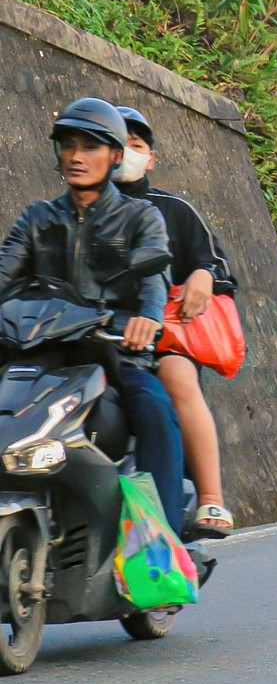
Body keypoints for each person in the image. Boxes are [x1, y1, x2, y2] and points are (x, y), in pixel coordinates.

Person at [0, 99, 186, 528]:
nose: (76, 157)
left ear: (115, 156)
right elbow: (6, 268)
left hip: (113, 348)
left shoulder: (141, 216)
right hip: (41, 349)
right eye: (68, 146)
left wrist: (148, 317)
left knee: (155, 410)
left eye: (89, 147)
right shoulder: (37, 218)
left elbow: (154, 273)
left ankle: (161, 541)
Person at [113, 105, 240, 539]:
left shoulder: (172, 210)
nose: (126, 154)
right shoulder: (67, 212)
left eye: (137, 146)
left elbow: (215, 263)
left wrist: (203, 275)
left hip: (163, 335)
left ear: (150, 158)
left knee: (177, 379)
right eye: (117, 144)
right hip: (91, 335)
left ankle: (211, 497)